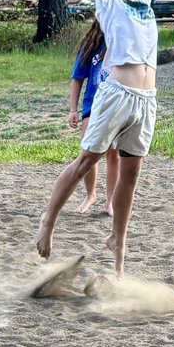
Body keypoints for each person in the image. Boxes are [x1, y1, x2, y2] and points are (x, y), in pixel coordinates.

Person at [34, 0, 160, 274]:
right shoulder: (109, 5)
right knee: (87, 160)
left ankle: (118, 243)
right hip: (116, 94)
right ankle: (48, 220)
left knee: (130, 174)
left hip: (146, 101)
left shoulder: (143, 4)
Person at [67, 16, 112, 213]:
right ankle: (90, 194)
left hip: (116, 106)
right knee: (89, 150)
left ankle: (111, 200)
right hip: (93, 107)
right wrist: (73, 110)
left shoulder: (122, 41)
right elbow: (77, 78)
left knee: (114, 154)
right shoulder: (92, 44)